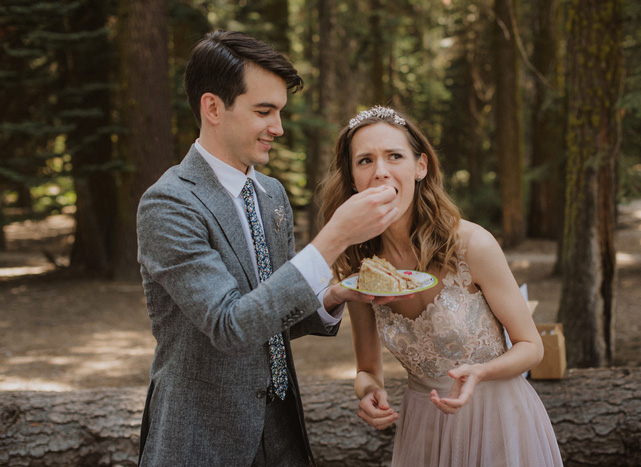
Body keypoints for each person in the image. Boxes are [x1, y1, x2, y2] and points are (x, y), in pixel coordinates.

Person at [136, 32, 409, 466]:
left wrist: (333, 296)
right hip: (202, 440)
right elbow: (232, 327)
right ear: (213, 108)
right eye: (264, 111)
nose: (278, 128)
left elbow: (271, 311)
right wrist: (335, 236)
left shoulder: (271, 194)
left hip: (283, 435)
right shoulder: (168, 203)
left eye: (279, 112)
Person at [319, 106, 563, 466]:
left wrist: (480, 372)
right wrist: (370, 392)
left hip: (499, 420)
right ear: (353, 178)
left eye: (394, 156)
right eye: (365, 160)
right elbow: (368, 369)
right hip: (424, 429)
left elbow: (531, 346)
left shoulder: (472, 244)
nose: (381, 171)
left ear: (421, 167)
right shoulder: (361, 269)